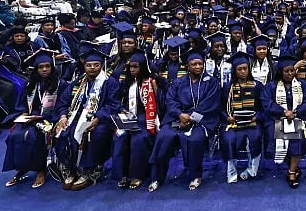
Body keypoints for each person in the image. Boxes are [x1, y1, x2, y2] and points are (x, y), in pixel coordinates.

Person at [148, 51, 221, 192]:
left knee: (195, 139)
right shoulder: (178, 82)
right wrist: (180, 114)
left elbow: (210, 104)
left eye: (200, 64)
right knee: (164, 136)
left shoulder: (211, 82)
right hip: (177, 118)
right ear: (188, 66)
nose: (198, 66)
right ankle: (157, 177)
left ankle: (195, 176)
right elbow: (170, 100)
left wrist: (189, 117)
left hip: (202, 120)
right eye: (194, 64)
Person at [1, 52, 72, 188]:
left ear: (52, 67)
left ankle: (40, 170)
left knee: (33, 137)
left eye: (47, 66)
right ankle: (21, 168)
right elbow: (21, 104)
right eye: (40, 67)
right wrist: (24, 114)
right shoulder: (29, 84)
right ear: (36, 69)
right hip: (30, 119)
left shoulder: (61, 84)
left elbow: (63, 105)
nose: (44, 70)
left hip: (49, 119)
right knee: (15, 136)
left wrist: (43, 117)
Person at [98, 51, 166, 189]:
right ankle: (122, 174)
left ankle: (137, 175)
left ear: (142, 67)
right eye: (131, 67)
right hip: (128, 118)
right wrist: (122, 109)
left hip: (145, 118)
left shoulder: (152, 81)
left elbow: (161, 103)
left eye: (136, 67)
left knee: (139, 139)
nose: (132, 70)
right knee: (120, 137)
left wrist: (156, 88)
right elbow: (117, 101)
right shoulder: (126, 82)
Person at [53, 50, 112, 190]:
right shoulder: (78, 82)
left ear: (101, 66)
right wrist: (62, 116)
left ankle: (89, 172)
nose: (92, 68)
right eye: (89, 65)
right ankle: (69, 170)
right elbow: (63, 101)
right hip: (75, 115)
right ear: (84, 66)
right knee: (63, 131)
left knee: (95, 134)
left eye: (96, 65)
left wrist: (98, 119)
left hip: (99, 118)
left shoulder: (109, 82)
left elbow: (112, 105)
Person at [260, 53, 306, 188]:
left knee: (298, 137)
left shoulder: (303, 85)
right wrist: (283, 112)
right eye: (286, 71)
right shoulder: (271, 86)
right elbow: (267, 103)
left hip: (298, 117)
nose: (290, 73)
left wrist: (295, 112)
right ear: (280, 72)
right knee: (274, 135)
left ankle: (291, 171)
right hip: (276, 118)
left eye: (292, 70)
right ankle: (293, 166)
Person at [221, 52, 264, 183]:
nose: (243, 72)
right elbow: (221, 107)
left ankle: (251, 170)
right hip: (233, 124)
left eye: (245, 68)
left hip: (252, 122)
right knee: (229, 139)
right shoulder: (228, 87)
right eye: (239, 69)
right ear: (234, 70)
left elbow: (263, 107)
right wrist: (227, 117)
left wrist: (258, 117)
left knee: (255, 137)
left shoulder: (257, 86)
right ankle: (232, 173)